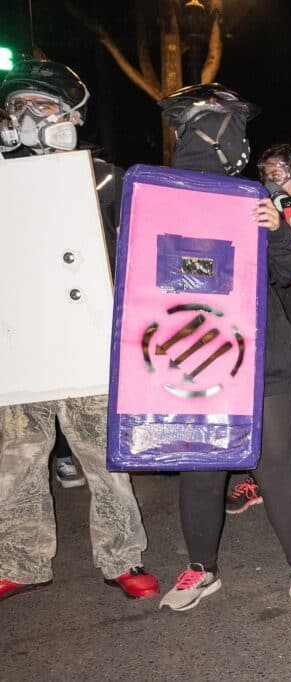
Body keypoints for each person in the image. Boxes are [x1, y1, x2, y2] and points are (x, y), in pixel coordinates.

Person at [155, 84, 291, 615]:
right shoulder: (161, 196)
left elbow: (281, 275)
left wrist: (278, 232)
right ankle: (201, 568)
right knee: (201, 465)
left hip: (264, 352)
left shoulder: (254, 198)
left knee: (275, 463)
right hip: (198, 354)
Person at [0, 59, 159, 601]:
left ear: (71, 115)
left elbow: (134, 254)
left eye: (40, 106)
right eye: (16, 106)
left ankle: (121, 556)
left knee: (105, 461)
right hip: (19, 349)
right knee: (15, 465)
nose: (25, 116)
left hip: (89, 346)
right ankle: (20, 559)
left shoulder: (106, 178)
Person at [225, 143, 291, 522]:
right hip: (267, 323)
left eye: (280, 170)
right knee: (260, 410)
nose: (272, 177)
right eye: (266, 170)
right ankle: (257, 477)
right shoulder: (256, 208)